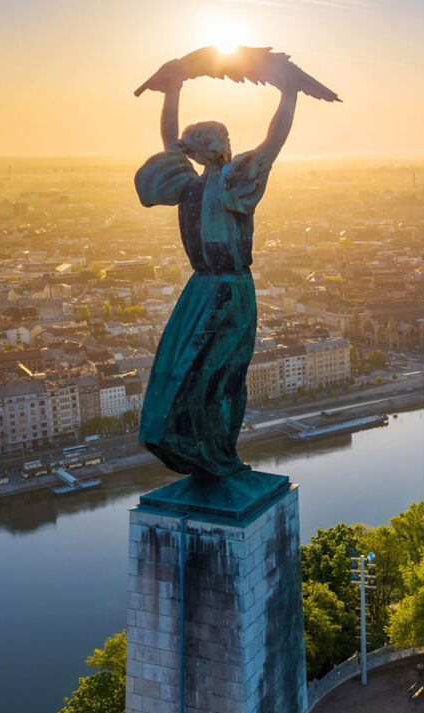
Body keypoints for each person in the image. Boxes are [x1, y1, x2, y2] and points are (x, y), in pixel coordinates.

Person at [133, 64, 298, 479]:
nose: (226, 144)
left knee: (218, 373)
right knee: (202, 372)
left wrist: (288, 97)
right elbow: (174, 142)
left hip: (222, 289)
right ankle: (202, 447)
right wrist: (173, 90)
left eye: (225, 139)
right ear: (204, 151)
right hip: (213, 289)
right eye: (218, 141)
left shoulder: (219, 183)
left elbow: (271, 141)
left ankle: (217, 450)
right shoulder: (210, 185)